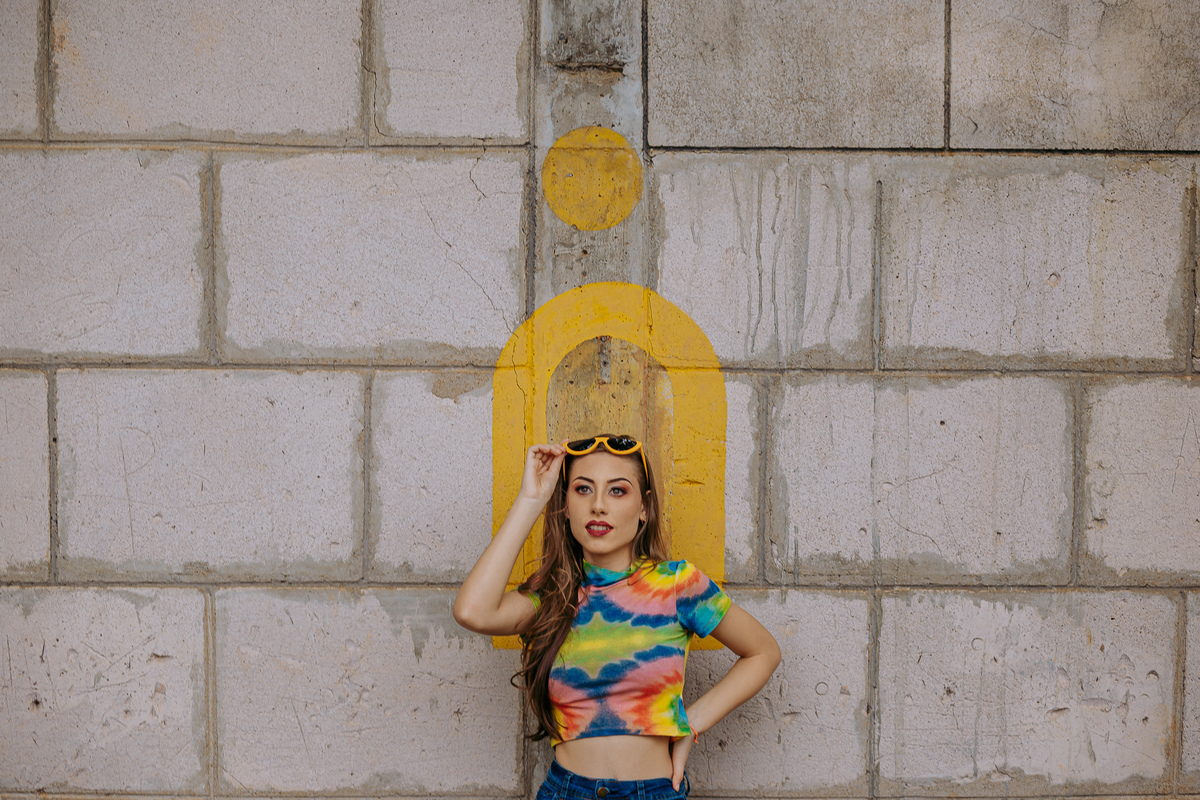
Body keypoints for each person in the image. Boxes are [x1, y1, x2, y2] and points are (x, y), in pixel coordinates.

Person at [453, 435, 781, 799]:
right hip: (567, 791)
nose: (598, 506)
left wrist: (692, 723)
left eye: (617, 491)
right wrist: (531, 500)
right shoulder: (552, 597)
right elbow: (472, 611)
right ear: (565, 506)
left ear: (644, 507)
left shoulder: (676, 584)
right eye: (582, 489)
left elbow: (763, 652)